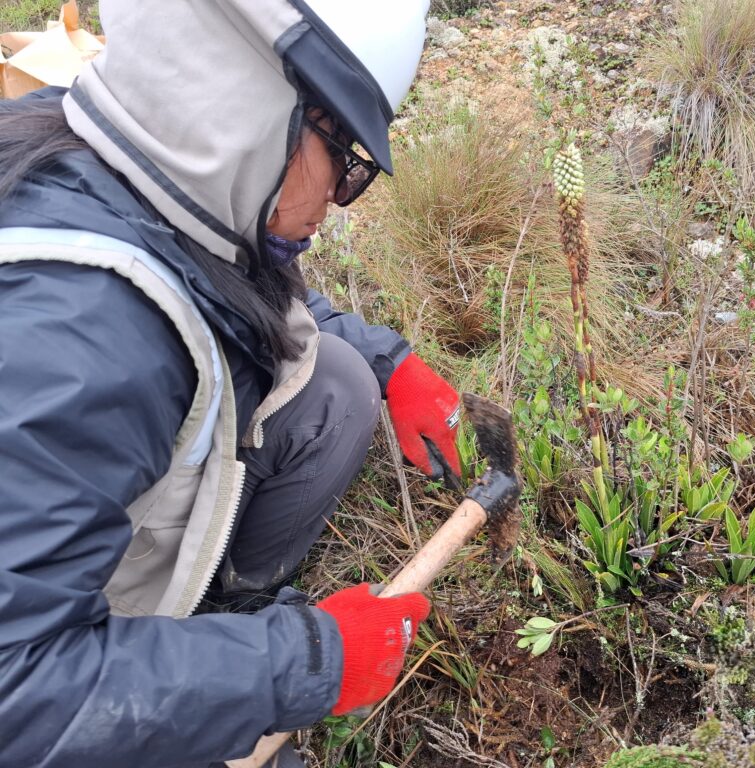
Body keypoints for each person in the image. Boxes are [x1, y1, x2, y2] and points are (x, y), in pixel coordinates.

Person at [0, 1, 493, 766]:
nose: (339, 194)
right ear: (255, 107)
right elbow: (14, 693)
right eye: (344, 155)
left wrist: (391, 362)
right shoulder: (81, 335)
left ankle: (214, 612)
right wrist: (295, 664)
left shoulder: (105, 150)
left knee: (336, 381)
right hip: (37, 678)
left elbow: (229, 275)